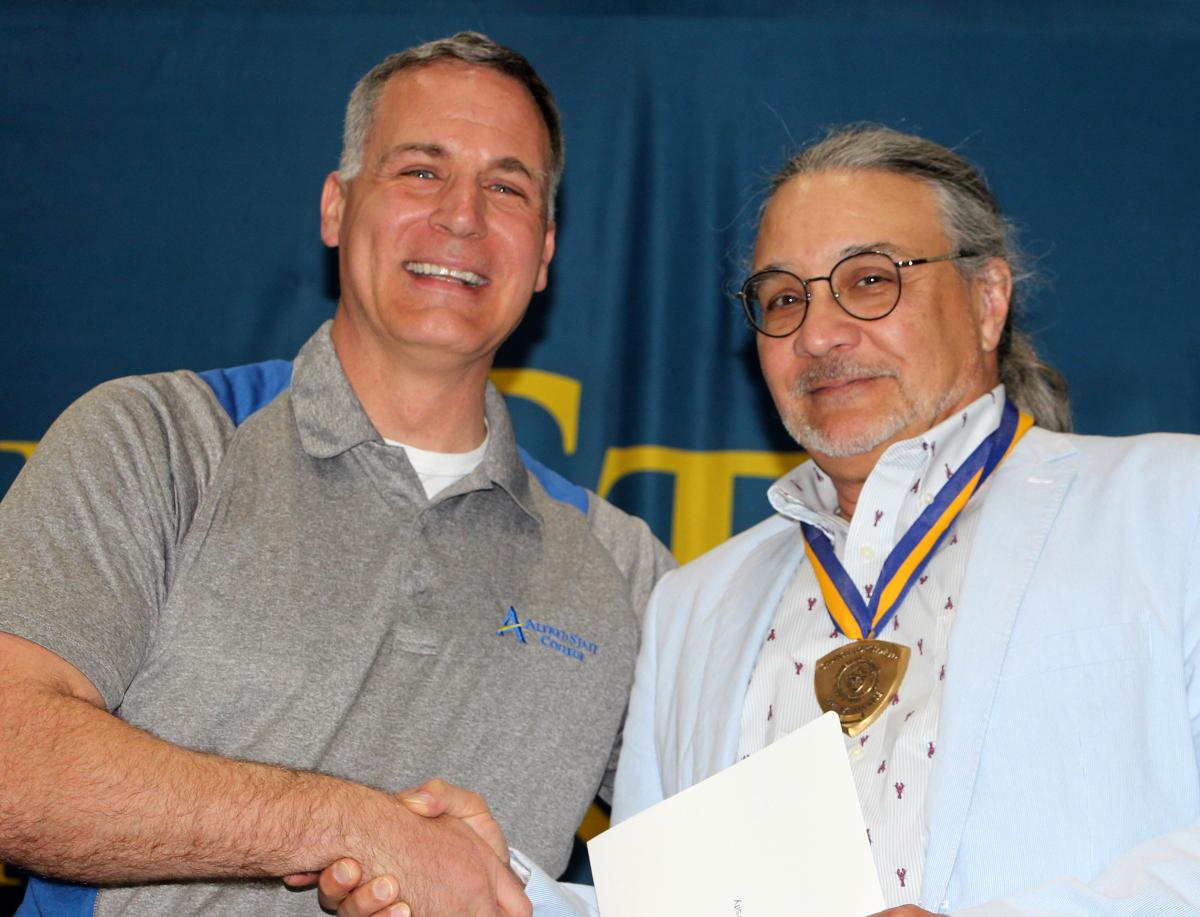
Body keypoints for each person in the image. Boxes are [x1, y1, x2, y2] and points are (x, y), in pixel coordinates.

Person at [328, 125, 1200, 916]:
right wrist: (494, 890)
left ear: (986, 301)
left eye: (869, 280)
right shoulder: (694, 607)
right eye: (783, 299)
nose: (818, 333)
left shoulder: (1171, 503)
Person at [0, 31, 673, 917]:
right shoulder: (160, 443)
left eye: (506, 187)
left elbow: (730, 866)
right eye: (421, 172)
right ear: (335, 206)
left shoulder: (622, 570)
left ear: (544, 252)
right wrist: (352, 826)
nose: (462, 216)